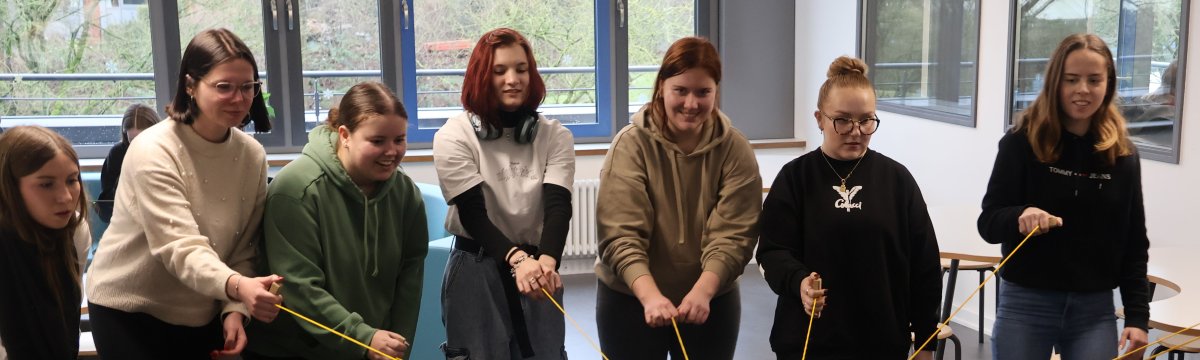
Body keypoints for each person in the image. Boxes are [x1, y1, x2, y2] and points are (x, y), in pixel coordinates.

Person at [85, 28, 283, 359]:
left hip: (200, 307)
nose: (239, 98)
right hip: (130, 310)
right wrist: (237, 287)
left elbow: (244, 246)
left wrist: (234, 308)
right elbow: (180, 246)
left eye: (248, 87)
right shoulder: (154, 150)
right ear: (190, 85)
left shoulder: (252, 155)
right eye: (224, 87)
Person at [755, 56, 942, 359]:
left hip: (881, 343)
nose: (856, 131)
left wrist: (925, 343)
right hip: (807, 343)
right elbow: (772, 252)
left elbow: (925, 268)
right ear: (819, 118)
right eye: (842, 120)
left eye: (866, 120)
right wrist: (800, 282)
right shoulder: (795, 178)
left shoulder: (897, 180)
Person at [978, 33, 1151, 360]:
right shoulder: (1021, 142)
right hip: (1026, 304)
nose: (1083, 89)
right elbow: (988, 223)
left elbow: (1134, 242)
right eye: (1072, 79)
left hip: (1094, 309)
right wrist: (1020, 215)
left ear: (1108, 84)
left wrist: (1137, 317)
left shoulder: (1123, 156)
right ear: (1055, 82)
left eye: (1094, 80)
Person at [594, 36, 761, 360]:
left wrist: (703, 291)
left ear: (716, 91)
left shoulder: (735, 149)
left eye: (703, 92)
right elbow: (620, 234)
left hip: (711, 299)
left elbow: (735, 235)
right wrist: (650, 295)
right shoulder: (631, 145)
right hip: (629, 298)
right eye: (680, 90)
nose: (691, 103)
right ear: (661, 88)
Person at [245, 81, 428, 360]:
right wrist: (363, 338)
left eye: (399, 140)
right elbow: (300, 288)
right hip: (294, 350)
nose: (391, 152)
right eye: (377, 141)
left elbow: (410, 280)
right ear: (345, 135)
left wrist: (395, 347)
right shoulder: (296, 190)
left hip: (367, 348)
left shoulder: (405, 193)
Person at [433, 27, 575, 359]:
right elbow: (473, 213)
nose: (513, 79)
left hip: (540, 265)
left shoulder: (556, 136)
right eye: (500, 71)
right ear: (483, 76)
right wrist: (517, 260)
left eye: (521, 69)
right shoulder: (454, 135)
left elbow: (558, 206)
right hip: (476, 265)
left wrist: (547, 262)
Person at [0, 126, 89, 359]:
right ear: (10, 188)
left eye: (72, 180)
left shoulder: (75, 230)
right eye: (46, 184)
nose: (66, 197)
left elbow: (66, 320)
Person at [97, 103, 161, 223]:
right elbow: (105, 212)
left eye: (143, 139)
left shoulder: (167, 154)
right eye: (132, 141)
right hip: (127, 225)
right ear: (126, 136)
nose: (137, 146)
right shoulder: (118, 154)